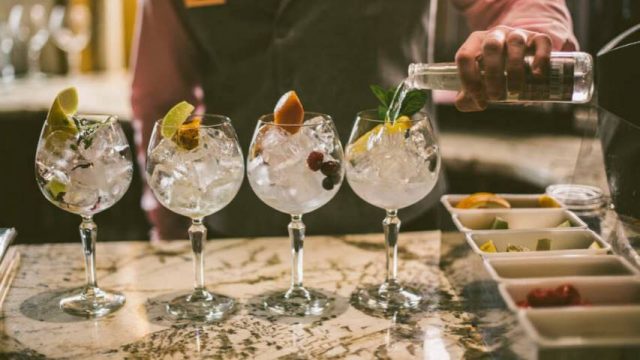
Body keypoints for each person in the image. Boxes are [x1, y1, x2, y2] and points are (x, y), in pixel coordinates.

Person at [131, 0, 578, 241]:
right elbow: (161, 100)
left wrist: (522, 35)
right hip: (240, 233)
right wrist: (171, 220)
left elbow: (526, 6)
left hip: (397, 222)